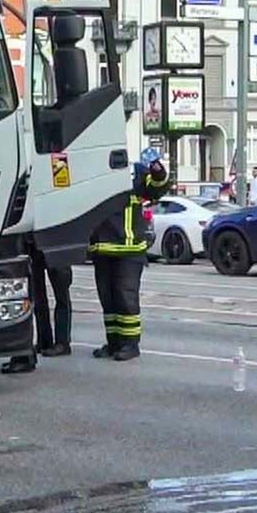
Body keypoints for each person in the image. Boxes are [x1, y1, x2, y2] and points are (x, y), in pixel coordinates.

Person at [89, 148, 169, 362]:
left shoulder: (135, 171)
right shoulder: (93, 171)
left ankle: (130, 344)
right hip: (102, 248)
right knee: (108, 300)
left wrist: (157, 169)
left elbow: (157, 187)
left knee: (126, 297)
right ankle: (114, 341)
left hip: (129, 248)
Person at [0, 243, 73, 375]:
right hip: (35, 245)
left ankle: (63, 342)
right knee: (38, 297)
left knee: (61, 294)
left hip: (54, 243)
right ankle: (44, 341)